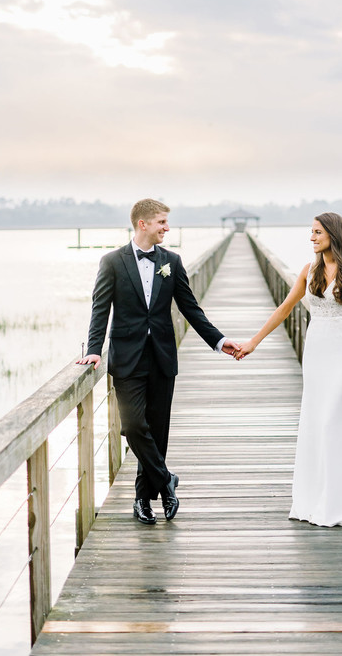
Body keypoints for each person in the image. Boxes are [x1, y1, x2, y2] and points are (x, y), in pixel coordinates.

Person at [77, 198, 240, 525]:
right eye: (162, 222)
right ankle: (166, 480)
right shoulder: (111, 262)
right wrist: (94, 348)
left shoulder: (172, 261)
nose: (167, 227)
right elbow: (100, 309)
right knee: (135, 426)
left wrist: (219, 341)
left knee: (158, 431)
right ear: (143, 224)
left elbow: (191, 308)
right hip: (126, 358)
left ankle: (144, 500)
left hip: (163, 357)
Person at [236, 212, 342, 527]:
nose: (311, 238)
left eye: (317, 232)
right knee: (316, 420)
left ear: (333, 234)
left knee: (334, 420)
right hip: (315, 351)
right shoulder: (308, 270)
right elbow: (285, 308)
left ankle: (340, 500)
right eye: (311, 233)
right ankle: (313, 497)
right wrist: (253, 342)